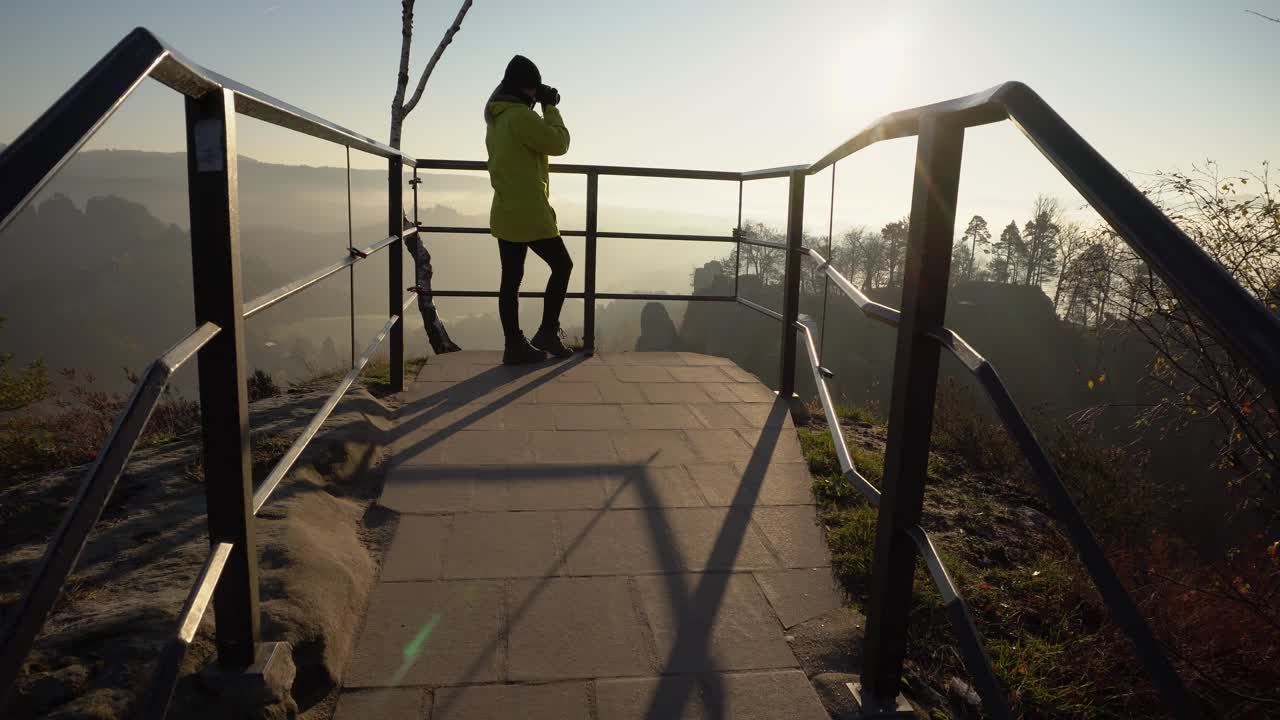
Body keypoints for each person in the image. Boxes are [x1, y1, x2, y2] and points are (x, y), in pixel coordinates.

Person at [484, 54, 574, 364]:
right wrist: (551, 107)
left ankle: (514, 345)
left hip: (506, 209)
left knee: (511, 279)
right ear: (528, 89)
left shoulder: (497, 117)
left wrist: (540, 102)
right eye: (535, 89)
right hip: (529, 211)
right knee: (563, 266)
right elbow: (559, 143)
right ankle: (547, 332)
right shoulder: (522, 117)